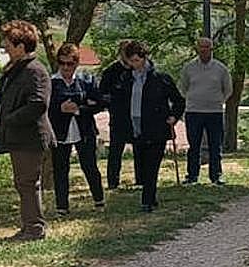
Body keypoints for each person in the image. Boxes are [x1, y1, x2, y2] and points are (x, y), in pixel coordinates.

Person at [0, 21, 56, 241]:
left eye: (9, 44)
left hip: (29, 137)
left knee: (28, 183)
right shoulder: (17, 70)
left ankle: (34, 228)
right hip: (18, 137)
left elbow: (38, 103)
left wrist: (10, 119)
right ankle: (29, 225)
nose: (5, 48)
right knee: (23, 183)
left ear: (21, 46)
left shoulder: (34, 71)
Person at [122, 40, 185, 213]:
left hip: (157, 128)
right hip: (136, 127)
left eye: (136, 60)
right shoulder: (126, 78)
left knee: (152, 165)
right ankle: (151, 196)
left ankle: (147, 201)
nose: (134, 64)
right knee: (142, 167)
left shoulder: (161, 78)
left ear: (144, 58)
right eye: (130, 61)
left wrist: (174, 116)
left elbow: (179, 101)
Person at [48, 42, 106, 215]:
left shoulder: (86, 80)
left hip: (84, 130)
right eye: (62, 63)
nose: (66, 67)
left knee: (89, 166)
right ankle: (62, 207)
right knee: (60, 169)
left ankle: (99, 200)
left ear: (76, 63)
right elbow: (45, 108)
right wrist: (60, 108)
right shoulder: (51, 83)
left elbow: (100, 103)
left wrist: (79, 109)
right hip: (60, 132)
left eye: (70, 63)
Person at [178, 37, 233, 186]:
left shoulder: (221, 69)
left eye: (207, 47)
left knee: (215, 145)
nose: (204, 50)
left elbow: (228, 89)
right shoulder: (189, 68)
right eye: (201, 47)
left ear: (211, 49)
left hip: (214, 112)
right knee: (194, 146)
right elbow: (183, 88)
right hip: (193, 112)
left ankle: (216, 176)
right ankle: (192, 176)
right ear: (197, 49)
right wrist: (193, 99)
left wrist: (218, 101)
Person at [99, 40, 134, 189]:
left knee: (140, 149)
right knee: (115, 151)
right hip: (118, 117)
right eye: (125, 51)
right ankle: (113, 182)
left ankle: (141, 180)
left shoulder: (139, 70)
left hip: (137, 117)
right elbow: (102, 94)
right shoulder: (111, 72)